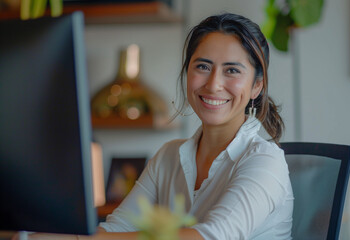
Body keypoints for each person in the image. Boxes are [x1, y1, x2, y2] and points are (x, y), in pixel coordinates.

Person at [16, 13, 293, 240]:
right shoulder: (170, 156)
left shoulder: (264, 161)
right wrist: (28, 237)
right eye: (203, 67)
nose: (213, 84)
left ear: (257, 85)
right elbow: (115, 230)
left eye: (232, 70)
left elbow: (209, 237)